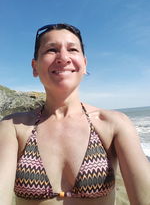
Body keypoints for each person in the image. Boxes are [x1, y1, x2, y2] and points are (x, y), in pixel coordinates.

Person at [0, 23, 150, 205]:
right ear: (35, 67)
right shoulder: (13, 128)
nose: (63, 57)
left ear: (84, 64)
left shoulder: (113, 124)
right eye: (51, 50)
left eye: (72, 49)